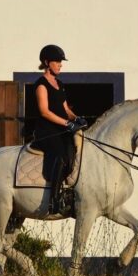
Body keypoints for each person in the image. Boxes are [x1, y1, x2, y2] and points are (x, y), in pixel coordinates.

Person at [32, 44, 87, 214]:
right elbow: (45, 112)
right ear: (47, 63)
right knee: (61, 155)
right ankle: (54, 201)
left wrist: (76, 118)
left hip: (61, 128)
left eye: (61, 62)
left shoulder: (59, 84)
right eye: (57, 62)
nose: (60, 65)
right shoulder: (41, 84)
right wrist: (67, 124)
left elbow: (65, 110)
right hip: (46, 131)